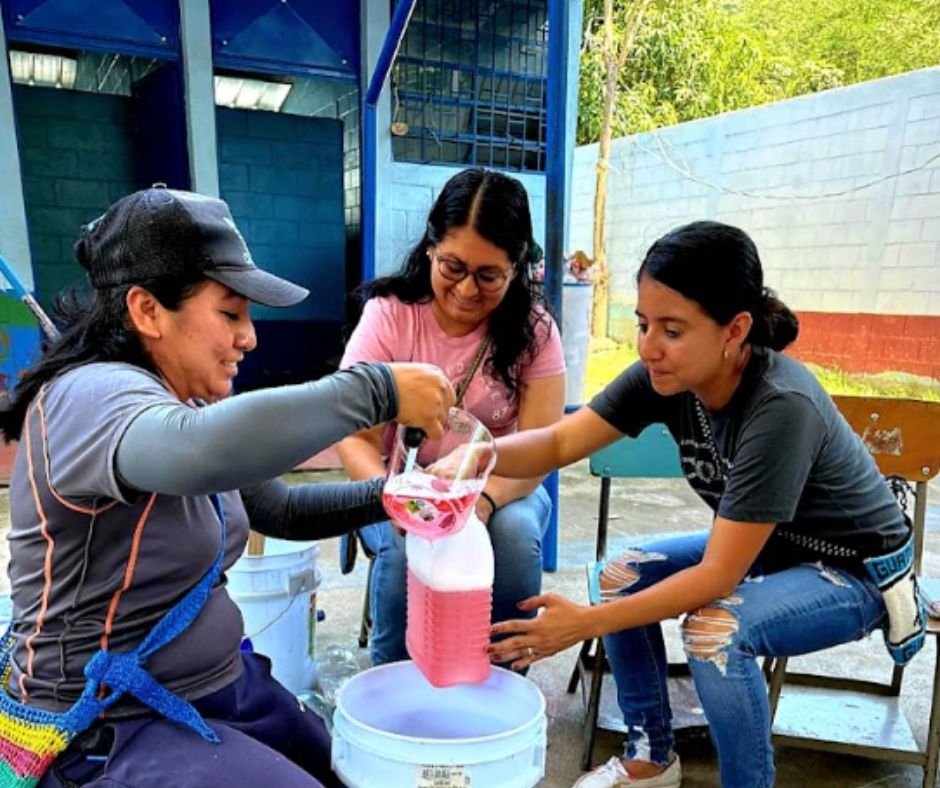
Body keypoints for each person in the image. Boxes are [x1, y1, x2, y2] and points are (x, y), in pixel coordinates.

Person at [0, 186, 455, 788]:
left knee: (350, 767)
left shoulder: (181, 396)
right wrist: (377, 390)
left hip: (213, 685)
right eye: (230, 314)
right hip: (108, 720)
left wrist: (396, 495)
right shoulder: (88, 398)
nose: (250, 338)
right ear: (147, 311)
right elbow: (198, 449)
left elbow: (279, 506)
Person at [484, 221, 924, 788]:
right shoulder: (666, 376)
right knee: (621, 574)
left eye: (672, 329)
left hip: (857, 571)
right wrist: (475, 454)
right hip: (775, 546)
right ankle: (650, 756)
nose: (648, 347)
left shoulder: (779, 404)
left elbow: (718, 575)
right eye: (643, 324)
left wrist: (582, 625)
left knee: (714, 628)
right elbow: (561, 441)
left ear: (734, 330)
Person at [337, 167, 566, 667]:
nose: (466, 291)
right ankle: (395, 680)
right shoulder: (390, 315)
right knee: (405, 550)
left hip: (504, 486)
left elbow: (541, 449)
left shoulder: (536, 332)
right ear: (429, 249)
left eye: (489, 276)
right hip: (401, 485)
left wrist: (481, 500)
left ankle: (503, 677)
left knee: (514, 535)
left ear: (517, 267)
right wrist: (393, 497)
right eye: (452, 267)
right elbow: (355, 437)